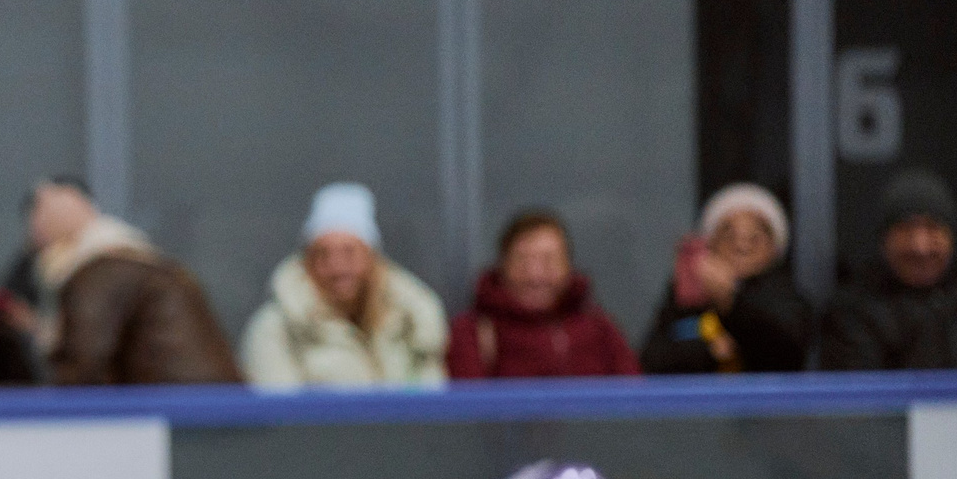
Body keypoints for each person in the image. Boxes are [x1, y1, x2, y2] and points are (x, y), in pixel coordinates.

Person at [23, 177, 238, 384]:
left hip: (182, 411)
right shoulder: (134, 259)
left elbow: (83, 363)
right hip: (209, 404)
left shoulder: (99, 270)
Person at [239, 183, 448, 389]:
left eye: (349, 252)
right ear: (307, 263)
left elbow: (432, 396)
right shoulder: (275, 329)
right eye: (323, 254)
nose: (337, 267)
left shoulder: (411, 321)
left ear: (371, 259)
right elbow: (280, 416)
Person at [639, 183, 814, 375]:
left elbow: (790, 352)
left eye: (754, 238)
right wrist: (707, 350)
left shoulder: (784, 295)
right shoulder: (687, 294)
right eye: (730, 235)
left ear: (773, 247)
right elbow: (653, 361)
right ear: (711, 243)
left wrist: (732, 302)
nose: (741, 247)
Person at [446, 208, 639, 379]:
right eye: (522, 262)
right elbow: (468, 413)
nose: (535, 276)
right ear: (503, 267)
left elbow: (635, 402)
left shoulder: (600, 330)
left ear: (568, 267)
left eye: (548, 261)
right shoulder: (473, 333)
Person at [820, 169, 957, 371]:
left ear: (951, 238)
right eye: (906, 229)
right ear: (884, 240)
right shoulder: (852, 312)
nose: (920, 247)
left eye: (933, 228)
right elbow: (860, 396)